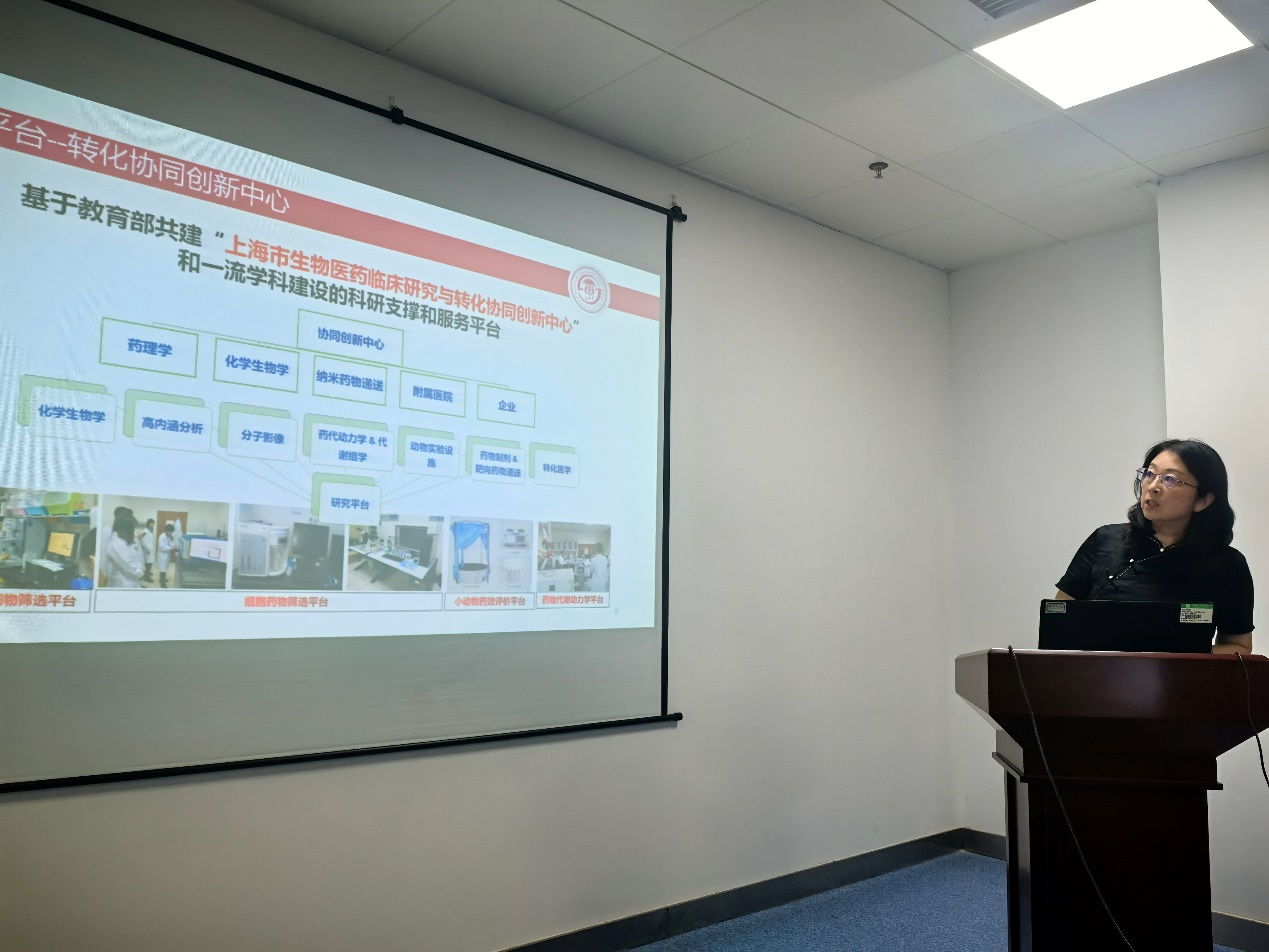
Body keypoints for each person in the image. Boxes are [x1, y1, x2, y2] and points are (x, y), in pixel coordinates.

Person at [1055, 439, 1253, 655]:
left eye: (1170, 479)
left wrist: (1181, 656)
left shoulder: (1227, 564)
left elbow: (1239, 646)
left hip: (1180, 675)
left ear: (1203, 500)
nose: (1153, 486)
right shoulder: (1105, 540)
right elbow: (1058, 623)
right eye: (1149, 474)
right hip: (1097, 673)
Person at [102, 511, 144, 588]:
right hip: (124, 582)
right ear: (126, 528)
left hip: (132, 579)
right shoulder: (117, 543)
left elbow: (134, 556)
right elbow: (127, 563)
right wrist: (139, 572)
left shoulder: (124, 539)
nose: (133, 530)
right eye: (132, 527)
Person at [156, 523, 178, 589]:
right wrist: (171, 548)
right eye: (170, 532)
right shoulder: (162, 537)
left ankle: (162, 579)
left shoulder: (167, 536)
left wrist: (174, 545)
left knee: (164, 568)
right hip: (162, 556)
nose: (171, 533)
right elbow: (162, 547)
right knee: (162, 569)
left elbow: (170, 543)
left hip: (166, 555)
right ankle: (162, 583)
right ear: (166, 530)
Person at [137, 518, 156, 583]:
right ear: (148, 524)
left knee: (149, 564)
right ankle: (147, 578)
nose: (152, 525)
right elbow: (144, 542)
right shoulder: (145, 531)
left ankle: (147, 575)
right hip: (147, 551)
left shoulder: (149, 531)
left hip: (150, 551)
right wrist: (148, 549)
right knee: (148, 565)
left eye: (153, 524)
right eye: (151, 524)